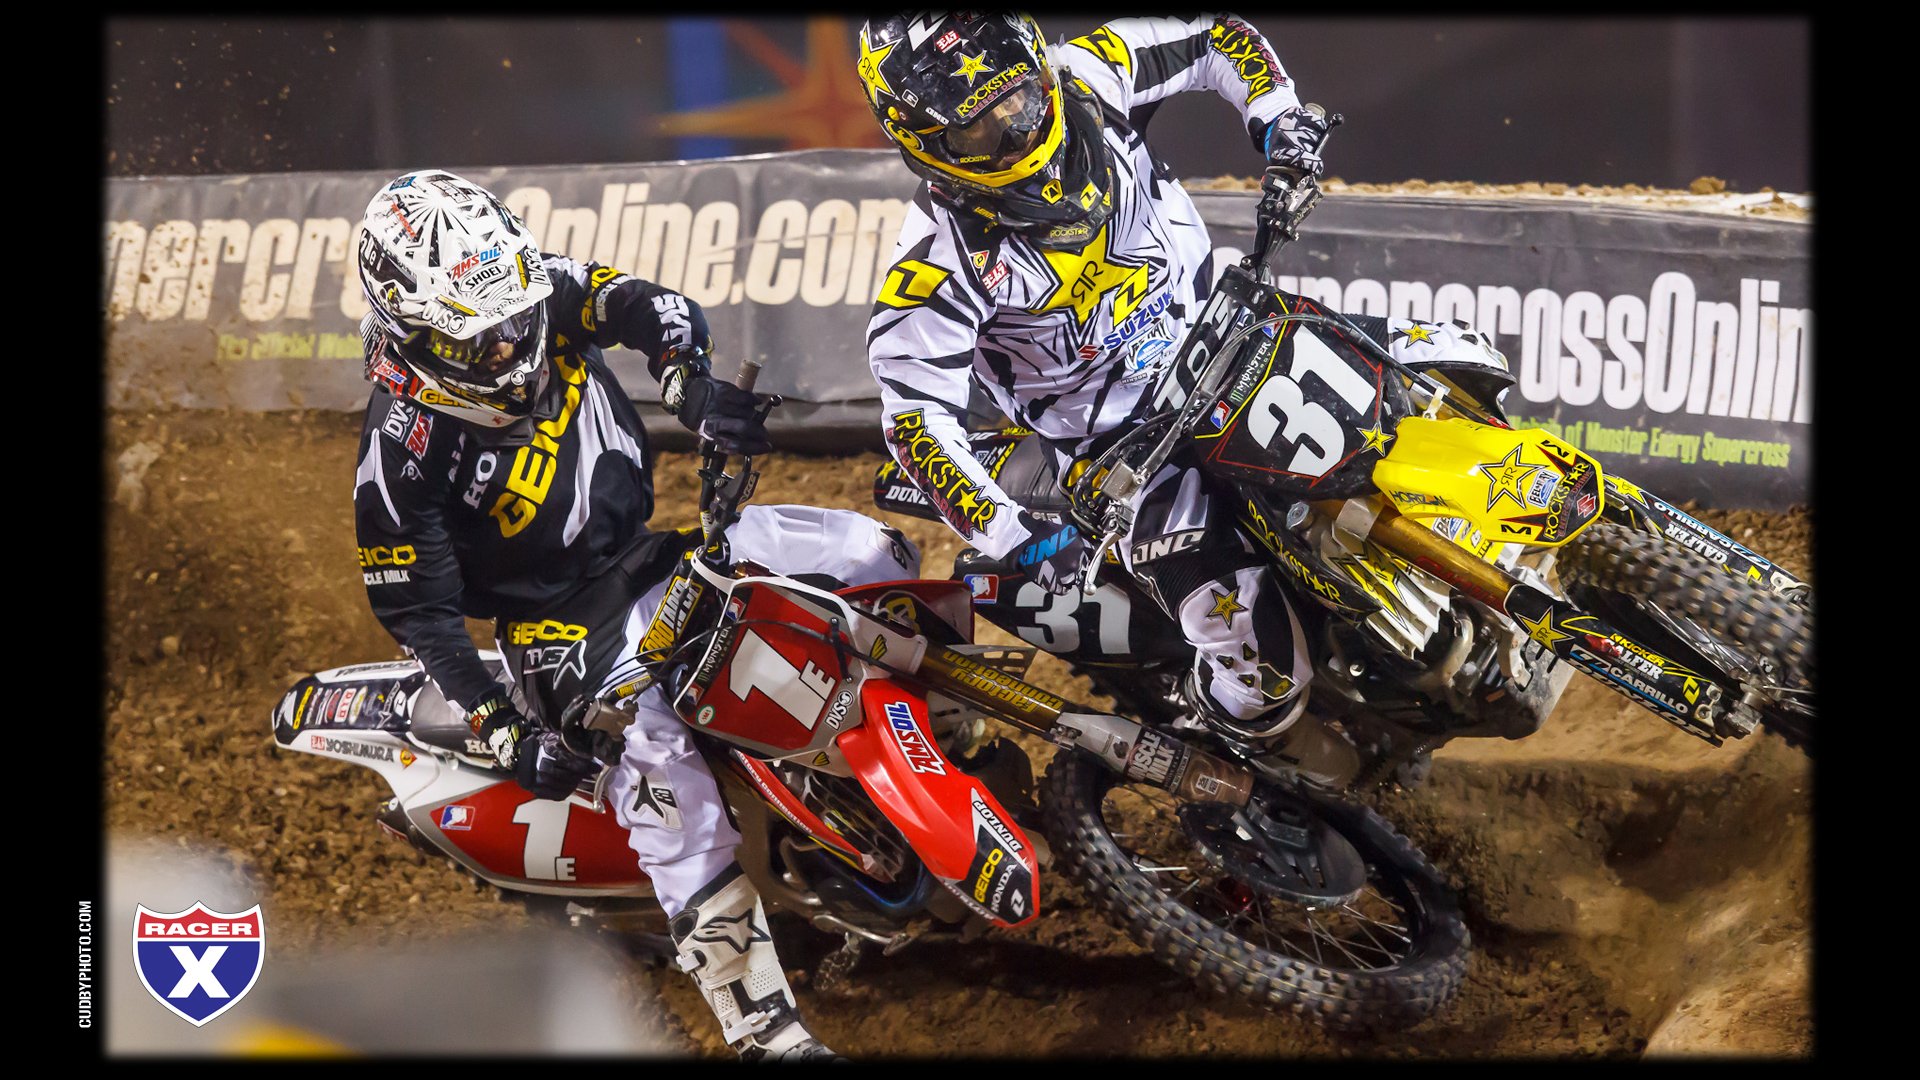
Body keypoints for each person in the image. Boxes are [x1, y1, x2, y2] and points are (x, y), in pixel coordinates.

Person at [352, 169, 915, 1060]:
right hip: (559, 629)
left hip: (653, 549)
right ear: (416, 337)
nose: (511, 346)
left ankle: (928, 757)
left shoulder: (537, 286)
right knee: (663, 782)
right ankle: (765, 1033)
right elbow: (421, 616)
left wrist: (689, 384)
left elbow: (654, 307)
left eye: (516, 320)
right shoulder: (399, 452)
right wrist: (504, 728)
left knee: (871, 554)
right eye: (482, 340)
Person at [860, 14, 1514, 749]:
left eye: (1022, 98)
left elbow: (1214, 37)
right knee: (1260, 670)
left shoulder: (1090, 75)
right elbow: (914, 422)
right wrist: (1015, 535)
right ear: (926, 144)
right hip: (1129, 454)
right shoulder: (931, 269)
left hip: (1240, 331)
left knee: (1464, 356)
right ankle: (1208, 754)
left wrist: (1282, 122)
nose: (1017, 129)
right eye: (982, 127)